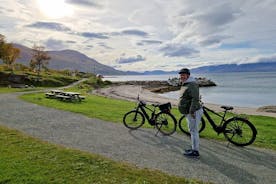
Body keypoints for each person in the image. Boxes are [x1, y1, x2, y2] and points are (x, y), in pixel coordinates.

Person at [178, 68, 203, 158]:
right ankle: (193, 148)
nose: (182, 76)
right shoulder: (186, 84)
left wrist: (191, 111)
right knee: (192, 130)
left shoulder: (192, 84)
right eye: (181, 75)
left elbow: (195, 99)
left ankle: (195, 152)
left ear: (188, 75)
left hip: (193, 112)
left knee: (194, 131)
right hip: (189, 112)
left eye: (183, 75)